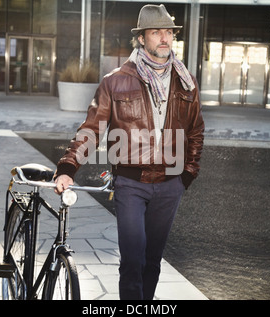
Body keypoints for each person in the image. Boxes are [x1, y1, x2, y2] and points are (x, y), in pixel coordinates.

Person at [54, 4, 204, 300]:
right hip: (131, 184)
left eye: (168, 32)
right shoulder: (115, 81)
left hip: (170, 185)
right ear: (142, 38)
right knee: (133, 261)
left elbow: (196, 130)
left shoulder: (185, 81)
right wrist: (68, 167)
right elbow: (92, 129)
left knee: (152, 262)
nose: (164, 38)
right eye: (156, 32)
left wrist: (187, 175)